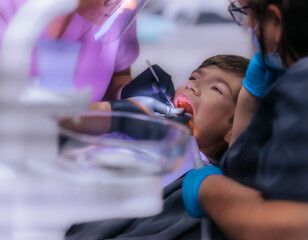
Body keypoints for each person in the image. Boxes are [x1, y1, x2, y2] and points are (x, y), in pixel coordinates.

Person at [182, 0, 308, 239]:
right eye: (192, 77)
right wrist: (249, 99)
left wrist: (206, 188)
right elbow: (242, 171)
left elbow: (289, 230)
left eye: (246, 14)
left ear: (274, 21)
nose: (247, 26)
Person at [65, 54, 250, 240]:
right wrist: (115, 112)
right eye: (194, 77)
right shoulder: (131, 135)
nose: (192, 86)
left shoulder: (197, 192)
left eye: (217, 89)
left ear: (234, 131)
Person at [0, 0, 141, 101]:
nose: (131, 4)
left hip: (86, 141)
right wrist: (110, 115)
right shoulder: (8, 8)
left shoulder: (118, 10)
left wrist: (132, 92)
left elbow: (119, 75)